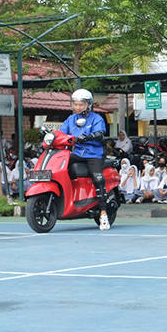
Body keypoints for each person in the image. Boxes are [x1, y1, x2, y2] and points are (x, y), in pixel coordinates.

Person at [59, 88, 111, 230]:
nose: (77, 107)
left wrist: (87, 137)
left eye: (80, 104)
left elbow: (100, 133)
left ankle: (103, 214)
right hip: (78, 153)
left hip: (94, 153)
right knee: (60, 167)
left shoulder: (96, 118)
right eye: (75, 104)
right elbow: (61, 133)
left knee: (98, 178)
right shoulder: (71, 119)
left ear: (88, 104)